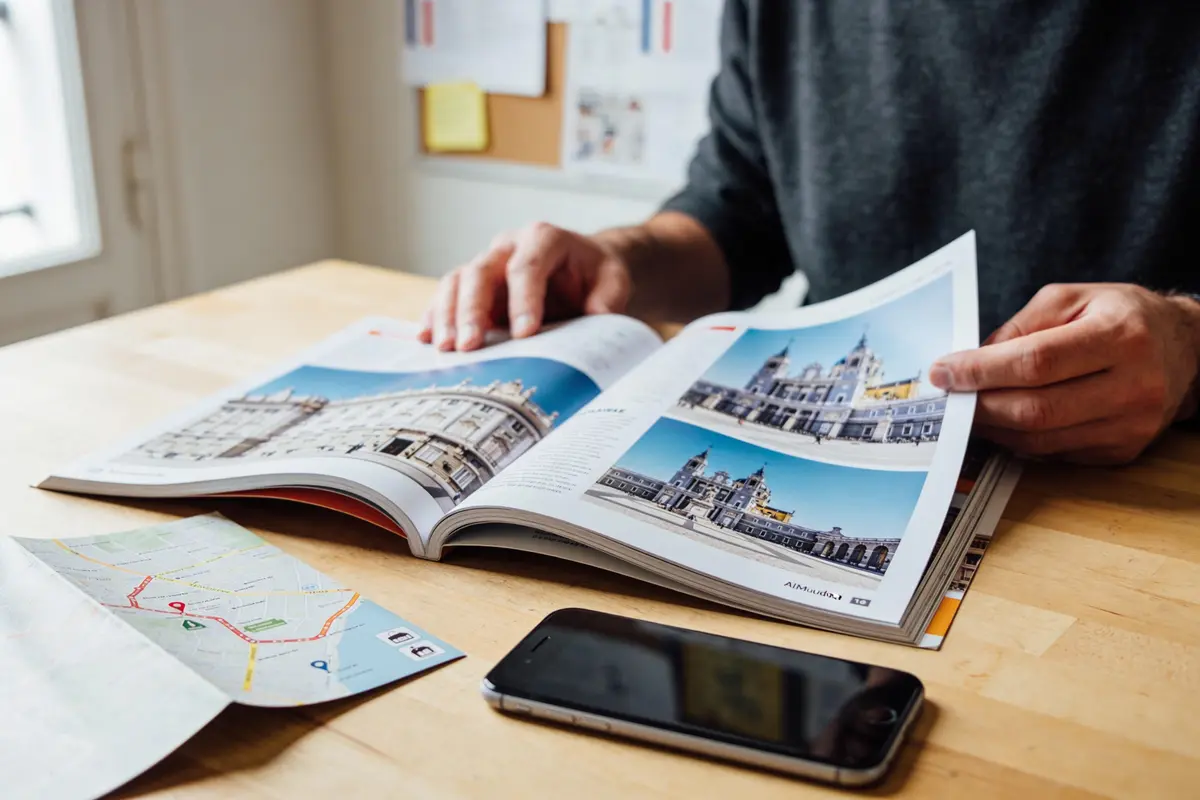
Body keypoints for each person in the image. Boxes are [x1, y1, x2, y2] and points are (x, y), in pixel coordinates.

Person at [420, 3, 1200, 466]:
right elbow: (737, 215)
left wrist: (1189, 346)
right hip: (850, 461)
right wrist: (620, 257)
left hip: (1145, 505)